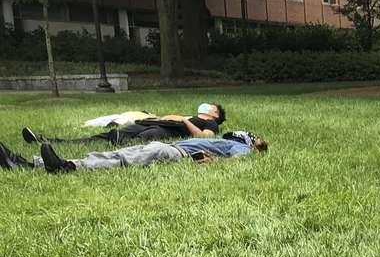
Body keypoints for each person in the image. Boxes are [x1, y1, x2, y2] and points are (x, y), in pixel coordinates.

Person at [0, 130, 267, 173]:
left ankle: (68, 167)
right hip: (167, 148)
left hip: (174, 154)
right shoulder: (227, 141)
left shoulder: (240, 146)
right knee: (118, 156)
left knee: (122, 159)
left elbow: (236, 160)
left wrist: (210, 163)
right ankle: (27, 163)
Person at [21, 103, 227, 146]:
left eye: (212, 106)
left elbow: (205, 138)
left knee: (129, 142)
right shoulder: (191, 115)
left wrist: (184, 120)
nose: (207, 105)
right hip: (154, 123)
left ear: (214, 114)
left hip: (163, 132)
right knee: (111, 135)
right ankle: (45, 140)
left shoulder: (211, 123)